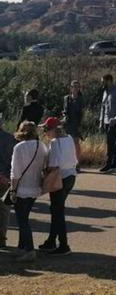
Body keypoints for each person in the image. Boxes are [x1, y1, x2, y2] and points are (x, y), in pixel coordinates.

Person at [38, 117, 78, 255]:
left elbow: (53, 165)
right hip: (70, 176)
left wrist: (44, 173)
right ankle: (51, 240)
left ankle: (63, 244)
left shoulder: (55, 143)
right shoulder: (69, 138)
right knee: (56, 209)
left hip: (59, 177)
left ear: (53, 129)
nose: (45, 132)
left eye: (46, 129)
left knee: (57, 211)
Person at [9, 121, 48, 262]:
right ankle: (21, 247)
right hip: (34, 187)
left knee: (22, 220)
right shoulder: (41, 146)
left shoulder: (19, 147)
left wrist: (13, 190)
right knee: (24, 218)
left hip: (21, 188)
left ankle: (29, 250)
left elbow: (15, 172)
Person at [99, 74, 116, 173]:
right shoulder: (105, 92)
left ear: (109, 81)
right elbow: (103, 107)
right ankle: (115, 163)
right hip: (106, 120)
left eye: (103, 81)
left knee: (110, 142)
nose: (102, 83)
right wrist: (101, 121)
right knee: (113, 141)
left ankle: (108, 164)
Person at [0, 126, 16, 249]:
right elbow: (14, 160)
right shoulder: (11, 138)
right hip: (6, 178)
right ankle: (2, 239)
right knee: (4, 210)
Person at [62, 80, 85, 162]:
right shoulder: (66, 98)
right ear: (71, 88)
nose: (75, 88)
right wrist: (64, 117)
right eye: (73, 86)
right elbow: (64, 110)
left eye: (77, 86)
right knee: (67, 143)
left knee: (76, 143)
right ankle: (68, 162)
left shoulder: (80, 99)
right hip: (68, 123)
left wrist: (79, 125)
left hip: (76, 123)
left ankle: (77, 163)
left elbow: (81, 112)